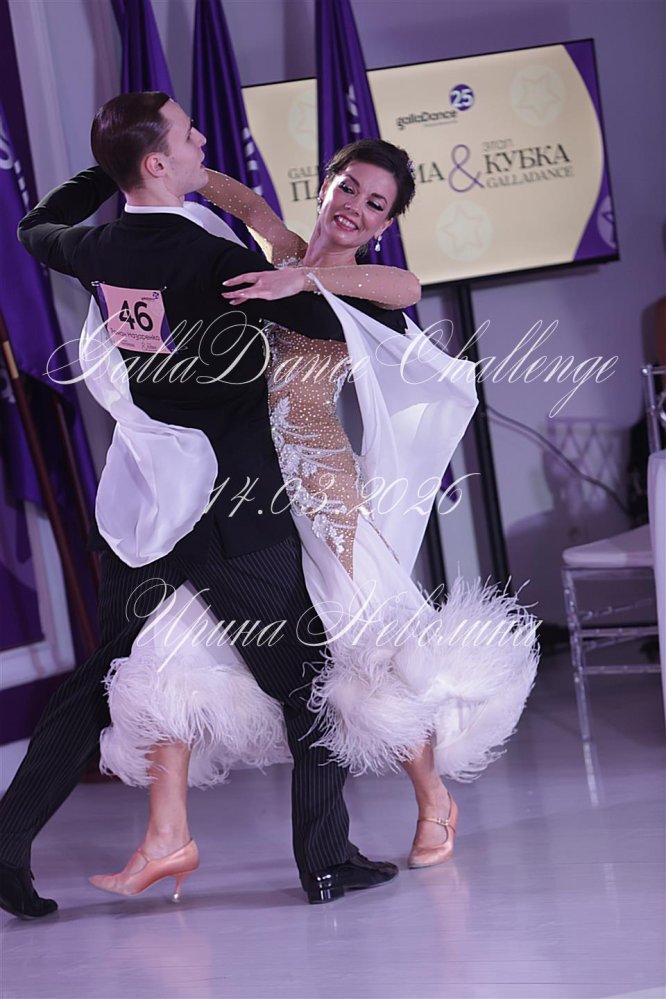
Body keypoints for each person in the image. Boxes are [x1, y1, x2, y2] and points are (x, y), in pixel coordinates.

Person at [88, 140, 539, 900]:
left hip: (322, 492)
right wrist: (167, 170)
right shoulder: (281, 248)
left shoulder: (361, 287)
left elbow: (408, 284)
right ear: (326, 185)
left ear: (385, 223)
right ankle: (167, 837)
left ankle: (434, 799)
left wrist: (303, 278)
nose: (355, 208)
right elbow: (242, 200)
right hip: (238, 491)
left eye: (375, 204)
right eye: (348, 187)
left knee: (371, 654)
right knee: (171, 641)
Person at [0, 94, 408, 919]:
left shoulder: (97, 247)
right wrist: (305, 276)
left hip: (148, 509)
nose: (202, 140)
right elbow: (363, 310)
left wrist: (112, 169)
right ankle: (327, 860)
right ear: (158, 163)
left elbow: (35, 227)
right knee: (314, 682)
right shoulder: (209, 258)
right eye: (188, 136)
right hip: (234, 510)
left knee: (99, 678)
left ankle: (4, 845)